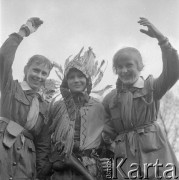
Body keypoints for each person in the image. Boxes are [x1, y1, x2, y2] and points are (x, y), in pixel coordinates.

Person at [102, 17, 179, 179]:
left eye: (129, 65)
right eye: (119, 67)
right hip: (125, 163)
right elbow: (104, 132)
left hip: (157, 160)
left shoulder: (151, 88)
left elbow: (173, 71)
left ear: (139, 66)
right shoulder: (110, 99)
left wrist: (162, 40)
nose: (124, 71)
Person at [0, 17, 52, 179]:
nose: (39, 76)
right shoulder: (11, 87)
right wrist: (21, 33)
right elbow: (3, 59)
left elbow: (43, 142)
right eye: (36, 70)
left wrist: (40, 172)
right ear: (26, 69)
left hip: (27, 162)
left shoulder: (45, 106)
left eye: (44, 73)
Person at [49, 48, 108, 180]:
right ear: (66, 82)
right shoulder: (57, 106)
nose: (76, 80)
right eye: (71, 77)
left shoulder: (98, 107)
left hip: (91, 167)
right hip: (62, 170)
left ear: (87, 80)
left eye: (80, 76)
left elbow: (108, 139)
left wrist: (109, 162)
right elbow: (47, 137)